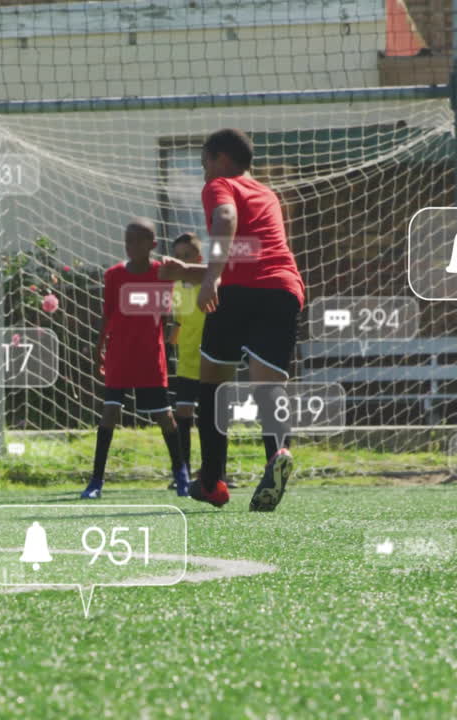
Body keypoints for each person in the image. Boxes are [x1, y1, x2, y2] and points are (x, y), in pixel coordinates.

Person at [190, 129, 305, 512]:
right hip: (284, 289)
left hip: (237, 292)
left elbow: (225, 219)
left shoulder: (220, 185)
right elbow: (257, 246)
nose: (203, 170)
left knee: (212, 385)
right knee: (267, 385)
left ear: (220, 158)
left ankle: (212, 482)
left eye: (204, 161)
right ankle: (278, 452)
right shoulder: (267, 192)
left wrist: (211, 276)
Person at [81, 219, 190, 500]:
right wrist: (98, 346)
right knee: (109, 414)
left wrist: (172, 334)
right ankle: (96, 481)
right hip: (120, 355)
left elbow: (171, 312)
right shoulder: (114, 274)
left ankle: (181, 475)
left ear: (152, 245)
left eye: (137, 241)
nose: (130, 246)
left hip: (150, 357)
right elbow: (107, 314)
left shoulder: (163, 273)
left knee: (164, 417)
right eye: (127, 241)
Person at [167, 232, 205, 495]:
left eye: (187, 257)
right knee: (182, 414)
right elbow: (179, 321)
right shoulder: (176, 288)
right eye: (178, 257)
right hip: (186, 362)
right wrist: (170, 340)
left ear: (199, 259)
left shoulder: (210, 283)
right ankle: (182, 473)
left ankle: (216, 471)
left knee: (212, 418)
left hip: (211, 360)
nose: (182, 262)